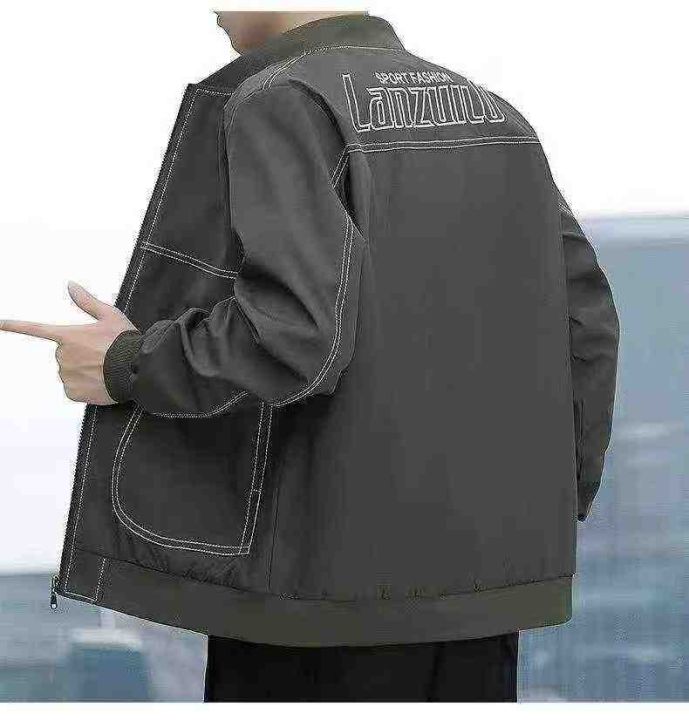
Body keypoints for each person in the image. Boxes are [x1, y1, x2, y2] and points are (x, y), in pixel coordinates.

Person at [0, 11, 619, 702]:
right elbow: (586, 323)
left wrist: (128, 364)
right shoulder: (495, 114)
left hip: (320, 601)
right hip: (484, 595)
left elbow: (293, 337)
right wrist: (547, 510)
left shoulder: (285, 98)